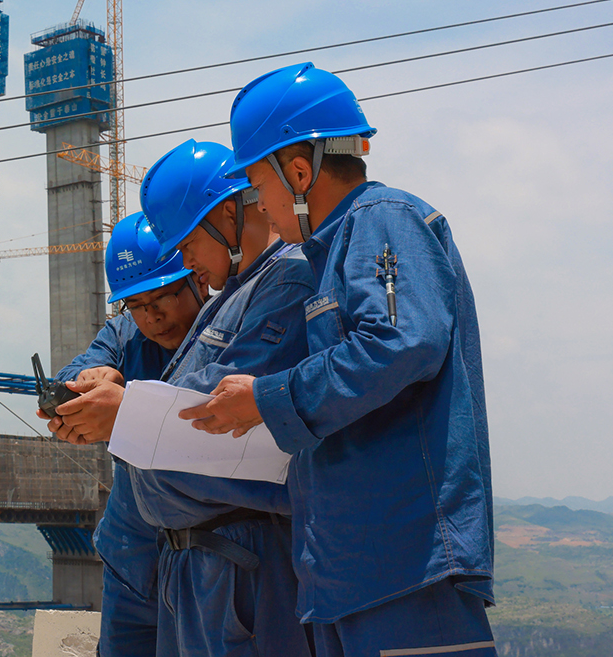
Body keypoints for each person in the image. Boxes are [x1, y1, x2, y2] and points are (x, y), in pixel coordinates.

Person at [180, 62, 494, 657]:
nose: (260, 206)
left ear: (299, 171)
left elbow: (403, 342)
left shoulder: (383, 219)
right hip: (344, 578)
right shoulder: (328, 254)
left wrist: (265, 398)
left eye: (259, 185)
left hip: (407, 570)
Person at [130, 139, 315, 657]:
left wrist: (125, 411)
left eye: (187, 241)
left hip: (245, 559)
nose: (185, 260)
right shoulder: (231, 295)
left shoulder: (289, 280)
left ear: (228, 212)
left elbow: (219, 406)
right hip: (194, 564)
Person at [42, 212, 205, 657]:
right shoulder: (124, 334)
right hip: (131, 553)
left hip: (207, 555)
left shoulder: (226, 330)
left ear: (197, 278)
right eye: (136, 305)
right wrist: (86, 380)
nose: (152, 317)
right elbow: (75, 373)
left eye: (162, 299)